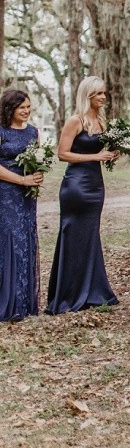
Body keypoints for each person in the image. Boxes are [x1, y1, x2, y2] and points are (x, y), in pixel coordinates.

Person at [46, 76, 120, 315]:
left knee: (90, 235)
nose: (103, 97)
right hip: (76, 186)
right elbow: (62, 154)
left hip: (96, 186)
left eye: (104, 93)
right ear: (88, 95)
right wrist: (94, 157)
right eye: (99, 93)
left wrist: (112, 153)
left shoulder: (101, 120)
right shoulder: (75, 121)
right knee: (73, 235)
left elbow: (104, 150)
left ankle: (93, 291)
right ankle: (67, 295)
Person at [0, 89, 44, 322]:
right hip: (6, 194)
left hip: (27, 196)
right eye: (22, 108)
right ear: (10, 109)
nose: (27, 111)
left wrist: (38, 174)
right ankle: (6, 301)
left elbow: (39, 159)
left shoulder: (33, 132)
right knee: (9, 240)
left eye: (29, 107)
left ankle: (23, 302)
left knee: (25, 239)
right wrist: (21, 179)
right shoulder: (1, 131)